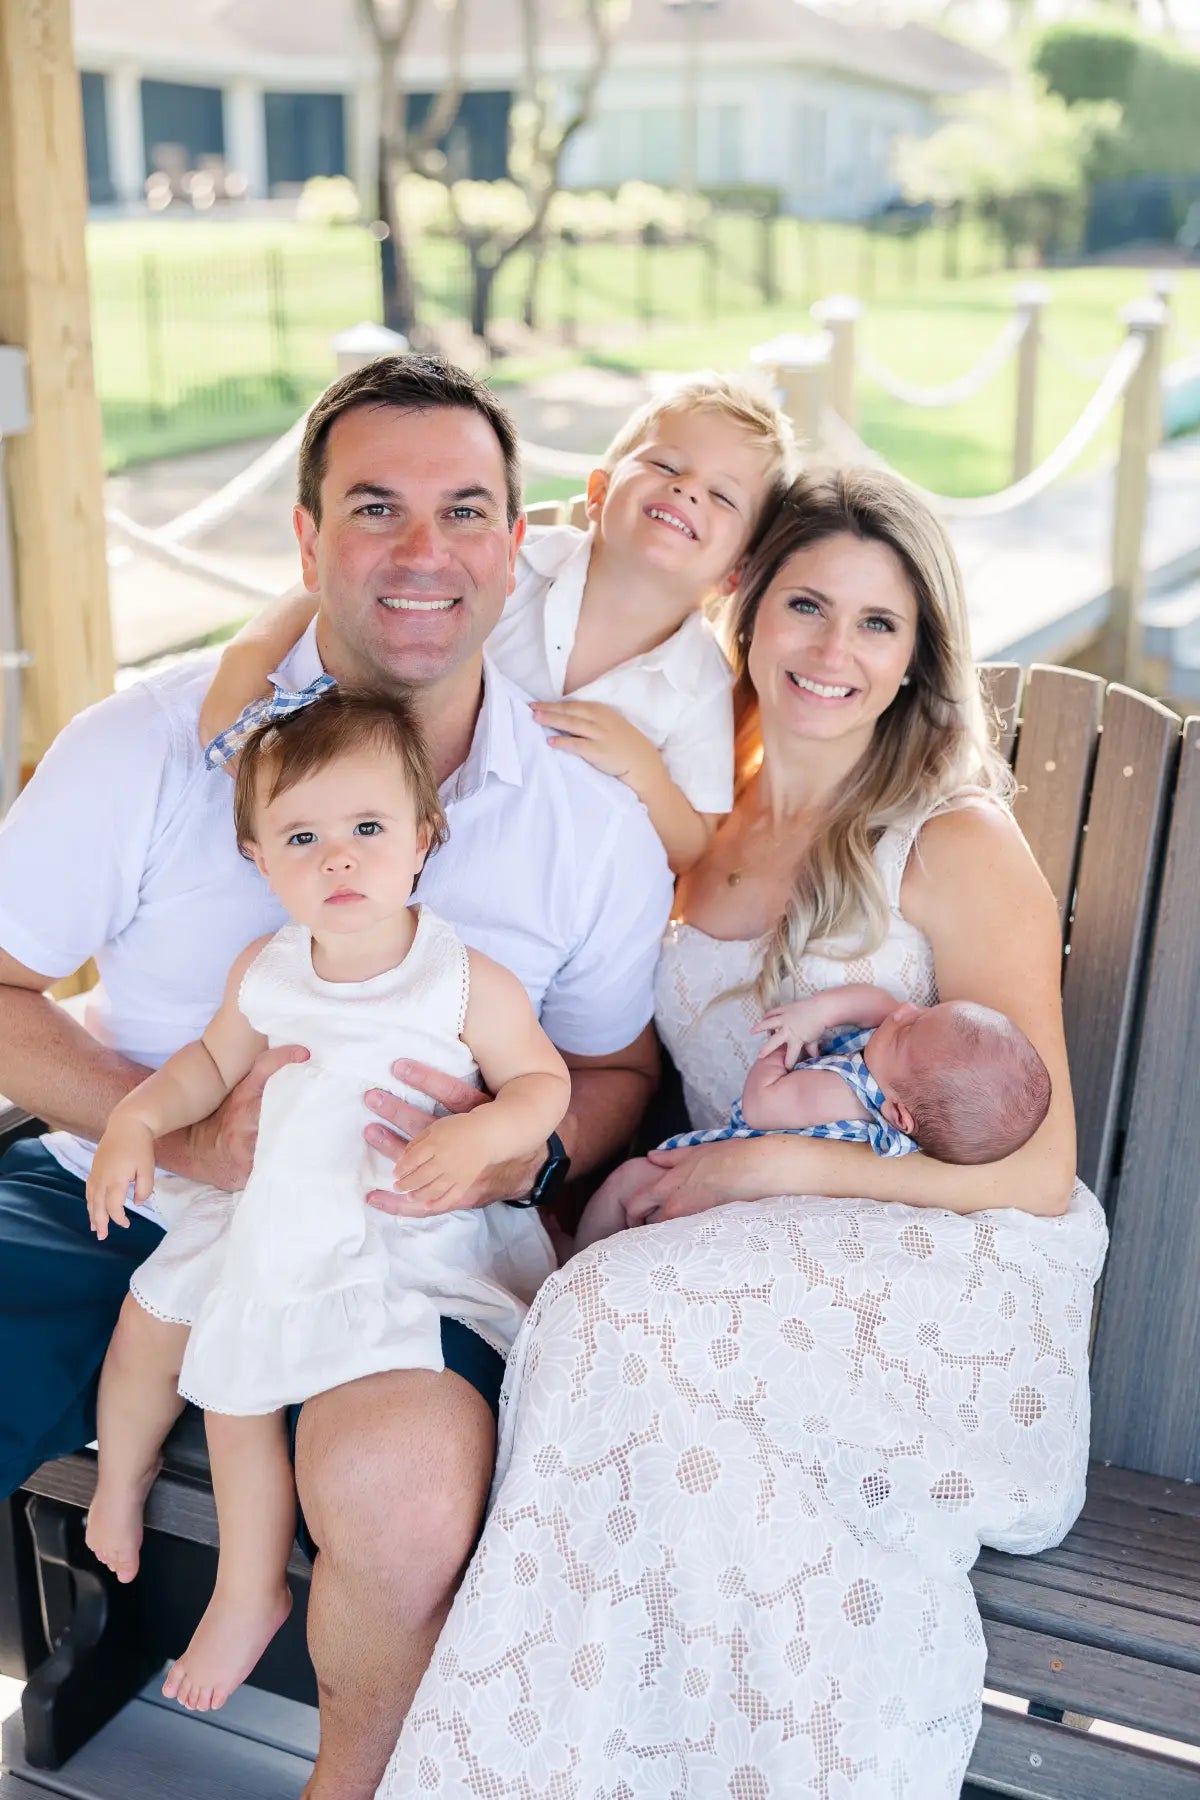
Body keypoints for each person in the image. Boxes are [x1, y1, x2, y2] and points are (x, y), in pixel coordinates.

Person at [0, 354, 673, 1800]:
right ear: (306, 539)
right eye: (376, 507)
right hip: (114, 1193)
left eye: (465, 511)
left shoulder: (587, 827)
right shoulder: (151, 749)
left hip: (397, 1241)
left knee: (407, 1486)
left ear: (514, 547)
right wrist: (175, 1132)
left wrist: (516, 1152)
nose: (424, 553)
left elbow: (614, 1066)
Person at [380, 467, 1109, 1798]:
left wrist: (766, 1164)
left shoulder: (950, 839)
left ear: (917, 660)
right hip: (741, 1251)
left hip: (945, 1271)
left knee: (610, 1318)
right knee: (614, 1337)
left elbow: (1036, 1164)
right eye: (808, 606)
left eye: (878, 625)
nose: (835, 651)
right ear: (750, 614)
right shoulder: (703, 831)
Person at [84, 689, 571, 1714]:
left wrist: (481, 1132)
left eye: (366, 830)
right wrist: (134, 1121)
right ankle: (123, 1488)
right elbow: (205, 1067)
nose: (338, 860)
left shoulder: (462, 978)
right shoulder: (264, 971)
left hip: (399, 1213)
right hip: (277, 1206)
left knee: (241, 1368)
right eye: (303, 837)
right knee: (161, 1332)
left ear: (424, 837)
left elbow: (542, 1084)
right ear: (260, 859)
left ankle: (245, 1584)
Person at [199, 374, 794, 872]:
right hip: (390, 826)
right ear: (598, 492)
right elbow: (353, 585)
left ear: (735, 573)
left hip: (545, 880)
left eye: (722, 497)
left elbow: (693, 847)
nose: (687, 490)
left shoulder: (698, 684)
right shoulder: (519, 563)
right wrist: (246, 658)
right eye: (667, 464)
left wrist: (643, 769)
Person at [575, 985, 1052, 1248]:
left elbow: (764, 1107)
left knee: (628, 1181)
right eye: (923, 1013)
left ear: (897, 1115)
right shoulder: (902, 1078)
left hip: (728, 1183)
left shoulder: (841, 1093)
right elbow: (883, 1005)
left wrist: (784, 1045)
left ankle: (568, 1260)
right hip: (769, 1189)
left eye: (908, 1030)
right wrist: (824, 1010)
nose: (904, 1012)